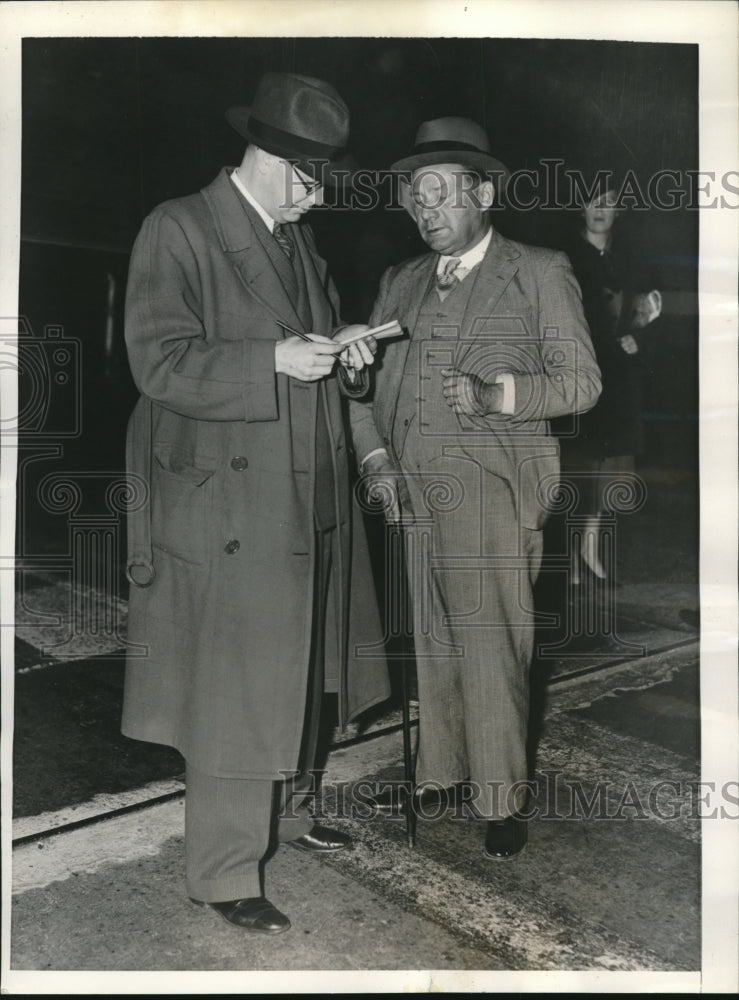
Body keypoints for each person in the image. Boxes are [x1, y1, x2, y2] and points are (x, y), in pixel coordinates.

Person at [122, 72, 390, 934]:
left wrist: (346, 358)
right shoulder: (181, 226)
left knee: (304, 668)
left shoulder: (293, 242)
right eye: (312, 181)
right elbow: (157, 363)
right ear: (273, 159)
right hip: (233, 507)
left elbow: (307, 348)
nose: (318, 198)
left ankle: (293, 815)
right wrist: (272, 361)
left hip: (304, 488)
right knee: (236, 688)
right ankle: (224, 873)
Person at [349, 117, 602, 858]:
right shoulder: (399, 281)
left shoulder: (538, 269)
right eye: (413, 198)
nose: (424, 210)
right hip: (412, 487)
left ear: (483, 193)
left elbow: (582, 382)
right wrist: (374, 459)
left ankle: (499, 796)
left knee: (490, 645)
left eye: (439, 194)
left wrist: (496, 395)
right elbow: (361, 390)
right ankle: (443, 772)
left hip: (492, 487)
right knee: (432, 638)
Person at [560, 183, 661, 585]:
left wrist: (641, 337)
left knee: (607, 470)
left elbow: (651, 314)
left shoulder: (632, 260)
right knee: (576, 465)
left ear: (620, 211)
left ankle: (590, 549)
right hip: (579, 372)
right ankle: (567, 556)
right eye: (591, 201)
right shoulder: (564, 258)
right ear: (580, 209)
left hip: (618, 378)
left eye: (609, 202)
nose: (599, 209)